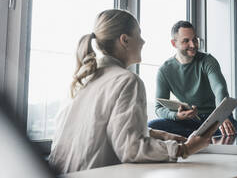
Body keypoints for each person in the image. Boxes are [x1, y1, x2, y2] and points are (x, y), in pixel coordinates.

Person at [48, 10, 218, 174]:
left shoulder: (81, 79)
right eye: (139, 35)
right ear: (125, 40)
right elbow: (131, 149)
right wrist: (186, 149)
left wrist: (157, 134)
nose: (143, 42)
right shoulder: (127, 80)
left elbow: (99, 126)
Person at [148, 21, 237, 137]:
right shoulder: (164, 70)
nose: (193, 45)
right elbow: (159, 108)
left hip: (214, 118)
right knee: (152, 126)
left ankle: (198, 138)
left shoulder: (208, 61)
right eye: (186, 41)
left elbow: (219, 88)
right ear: (174, 43)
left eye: (194, 39)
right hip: (188, 121)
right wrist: (176, 116)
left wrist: (221, 116)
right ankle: (200, 137)